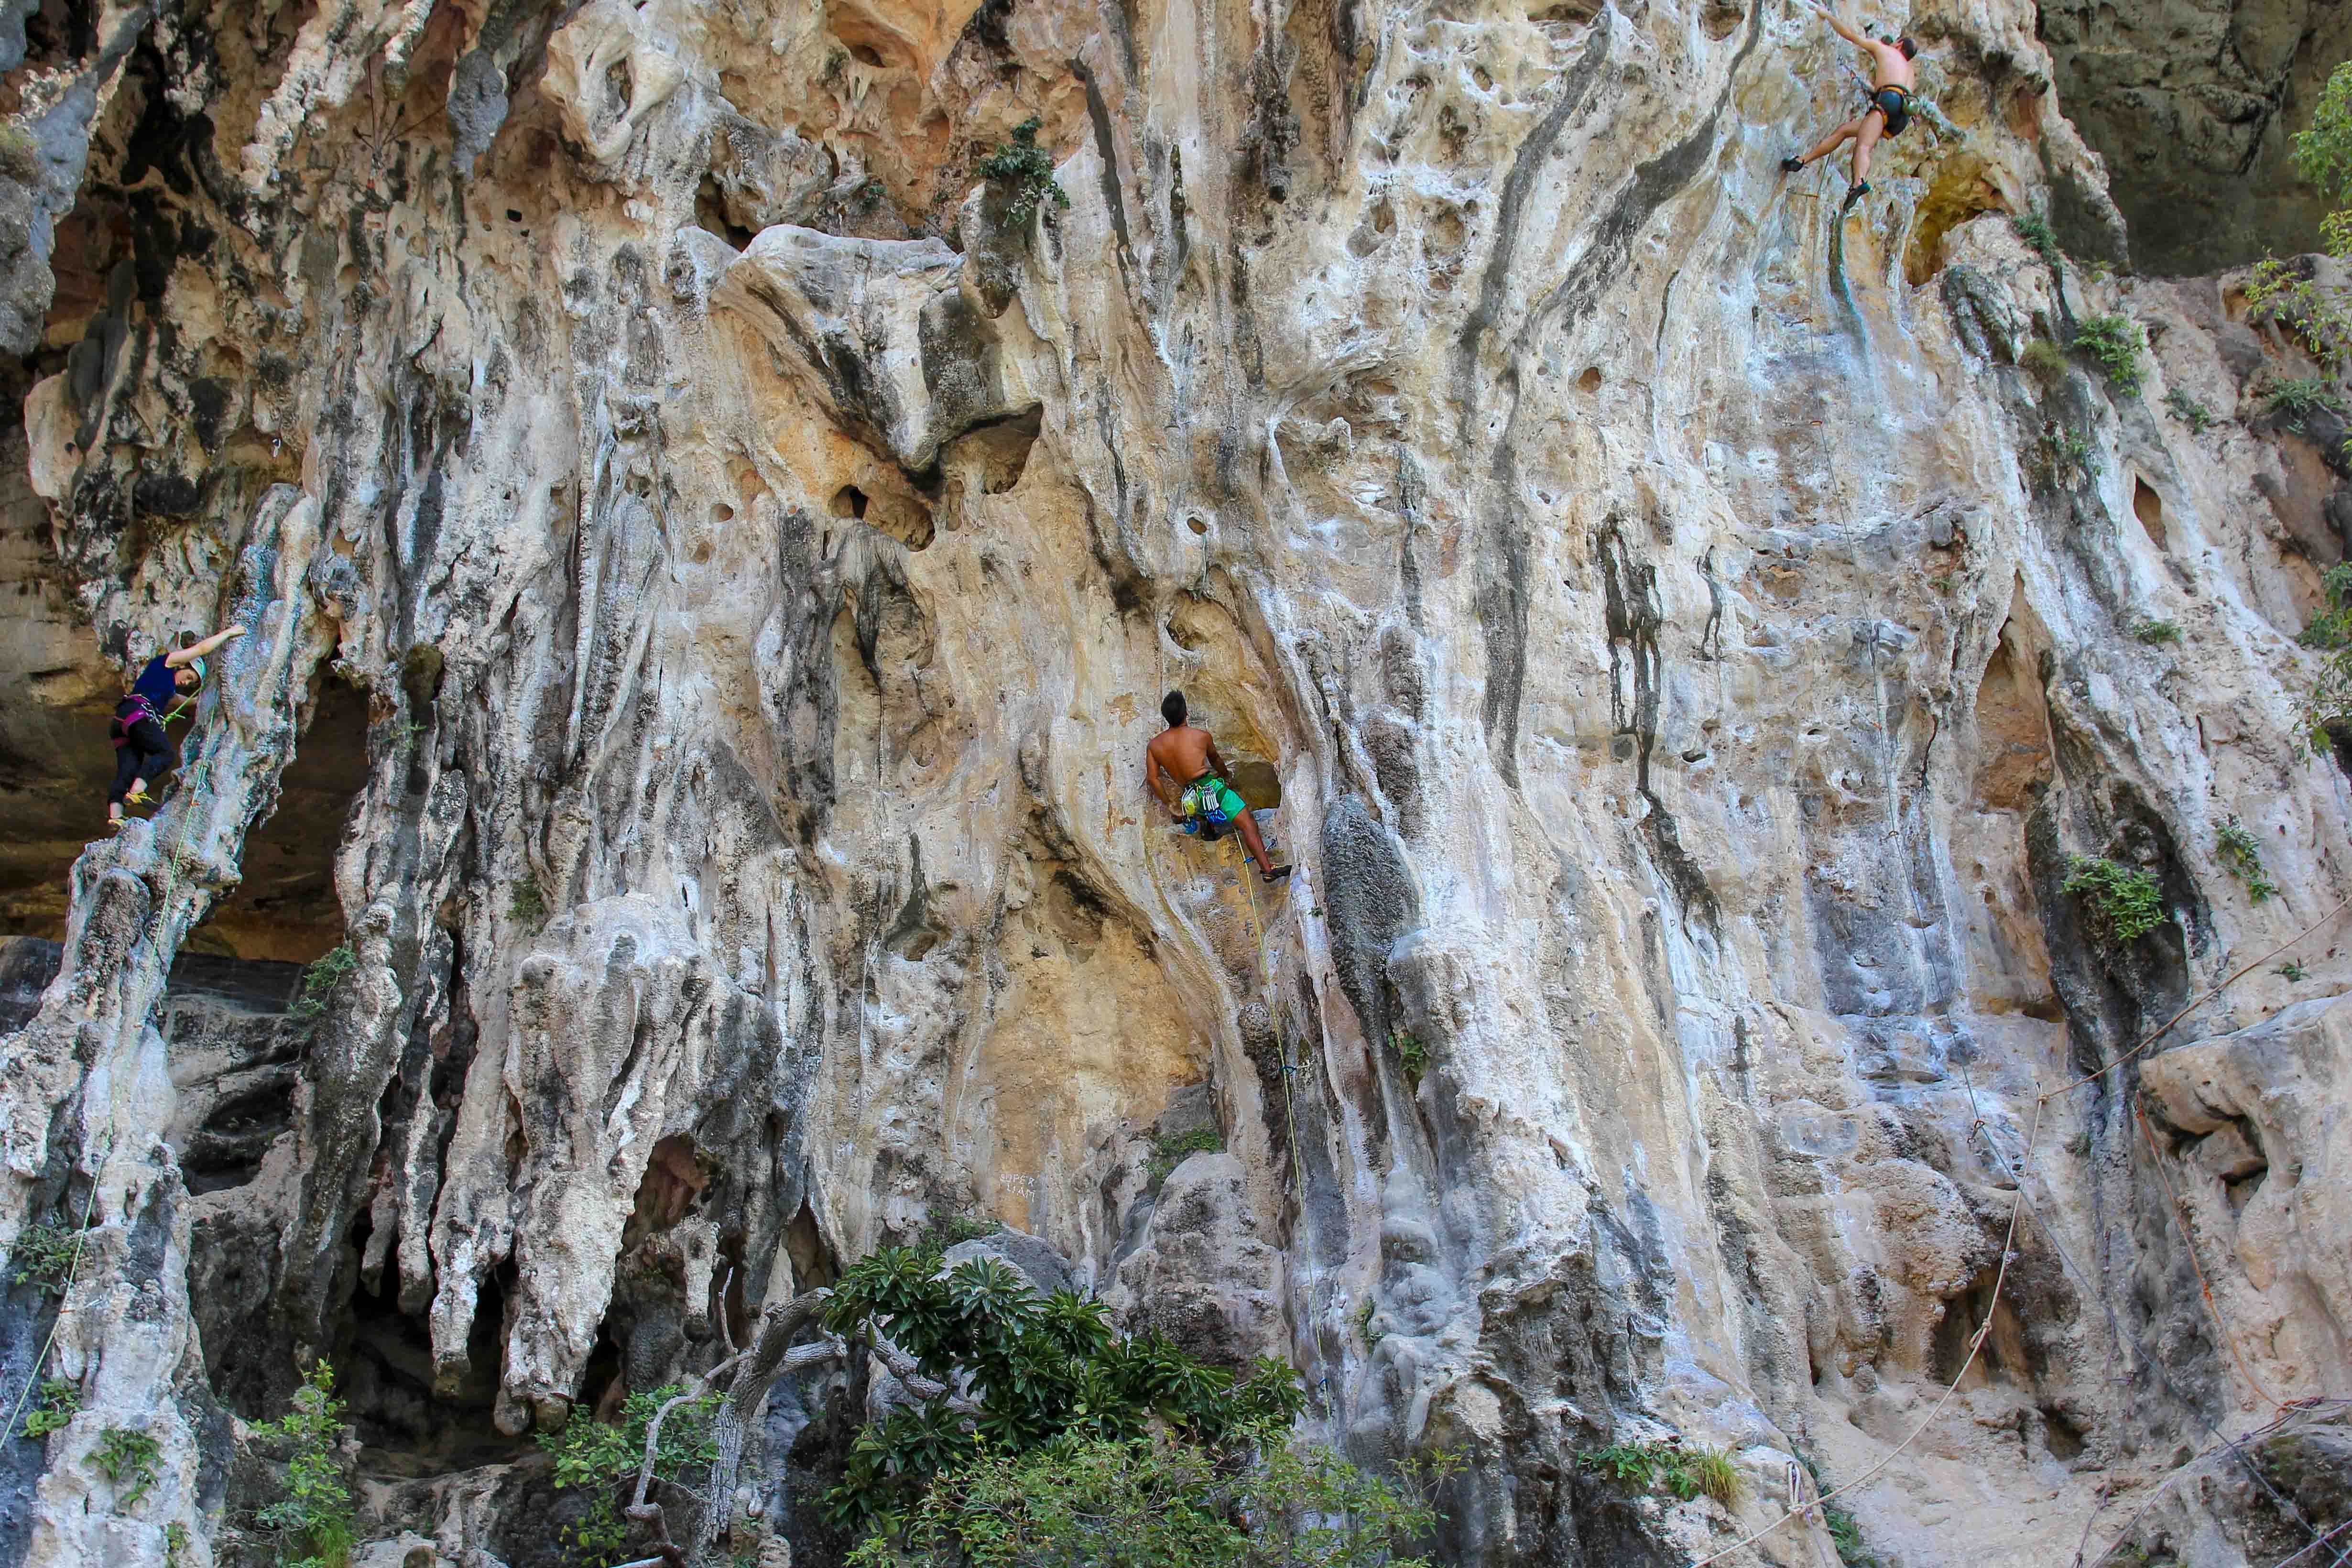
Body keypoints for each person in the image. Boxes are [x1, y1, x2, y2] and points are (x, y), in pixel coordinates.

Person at [108, 622, 246, 829]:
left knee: (128, 769)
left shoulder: (165, 687)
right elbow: (201, 649)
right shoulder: (166, 663)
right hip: (137, 715)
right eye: (189, 677)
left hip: (122, 722)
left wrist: (209, 699)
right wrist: (229, 633)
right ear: (182, 665)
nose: (187, 683)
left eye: (191, 683)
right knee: (165, 753)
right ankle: (137, 792)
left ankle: (116, 816)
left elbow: (183, 701)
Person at [1779, 0, 1917, 205]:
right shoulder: (1911, 72)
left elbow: (1850, 35)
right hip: (1902, 115)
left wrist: (1826, 15)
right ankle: (1801, 161)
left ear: (1899, 45)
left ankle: (1858, 183)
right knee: (1844, 131)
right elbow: (1894, 87)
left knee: (1864, 146)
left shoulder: (1885, 49)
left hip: (1888, 101)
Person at [1145, 691, 1292, 882]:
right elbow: (1215, 760)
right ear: (1186, 713)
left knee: (1202, 809)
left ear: (1166, 717)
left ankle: (1208, 827)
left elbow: (1153, 779)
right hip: (1211, 790)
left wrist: (1170, 804)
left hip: (1189, 798)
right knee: (1248, 823)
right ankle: (1267, 869)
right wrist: (1226, 776)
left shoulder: (1155, 746)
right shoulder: (1201, 736)